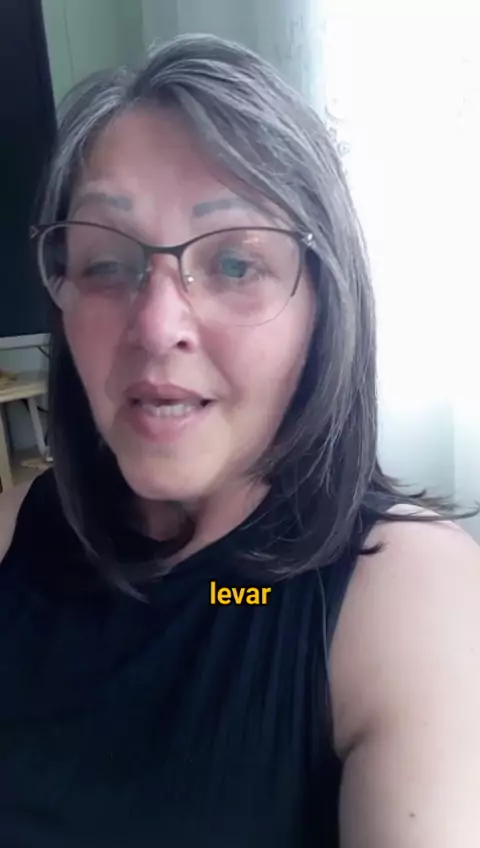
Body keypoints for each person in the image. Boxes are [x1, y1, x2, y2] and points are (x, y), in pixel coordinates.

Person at [0, 33, 479, 848]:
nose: (157, 326)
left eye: (234, 265)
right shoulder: (21, 528)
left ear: (322, 307)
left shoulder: (406, 595)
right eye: (107, 263)